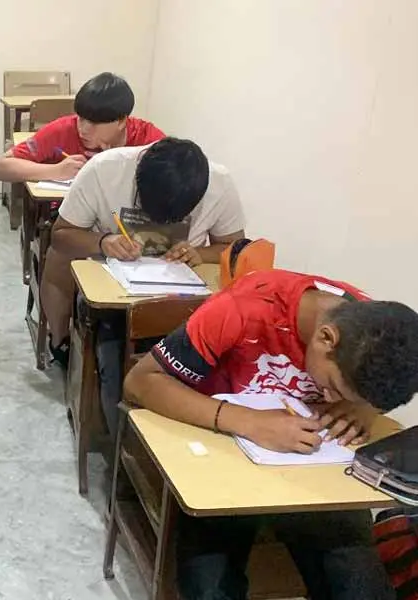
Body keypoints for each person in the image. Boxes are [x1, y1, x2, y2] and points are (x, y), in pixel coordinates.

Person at [124, 269, 418, 600]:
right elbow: (139, 382)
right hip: (222, 464)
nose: (334, 400)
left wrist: (365, 409)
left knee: (361, 588)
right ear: (326, 338)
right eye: (334, 388)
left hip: (314, 478)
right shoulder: (241, 310)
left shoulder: (378, 328)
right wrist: (248, 421)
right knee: (209, 587)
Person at [47, 137, 246, 367]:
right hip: (112, 288)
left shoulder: (220, 183)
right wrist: (102, 241)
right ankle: (61, 341)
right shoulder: (104, 170)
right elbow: (60, 234)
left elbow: (234, 249)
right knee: (113, 350)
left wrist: (200, 253)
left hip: (182, 295)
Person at [0, 72, 164, 183]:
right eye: (81, 118)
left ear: (121, 122)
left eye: (94, 123)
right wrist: (55, 171)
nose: (83, 129)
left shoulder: (147, 138)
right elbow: (2, 168)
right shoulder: (63, 129)